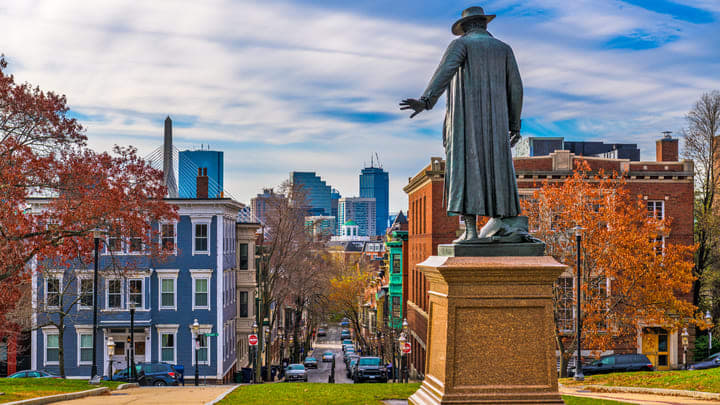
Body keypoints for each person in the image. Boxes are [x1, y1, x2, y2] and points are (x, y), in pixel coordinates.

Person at [400, 6, 524, 242]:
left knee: (466, 169)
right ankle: (501, 221)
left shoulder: (461, 45)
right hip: (497, 125)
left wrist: (426, 101)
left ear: (465, 28)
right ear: (485, 25)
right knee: (497, 168)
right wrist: (514, 124)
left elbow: (444, 73)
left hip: (465, 122)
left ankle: (471, 231)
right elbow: (516, 88)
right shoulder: (504, 50)